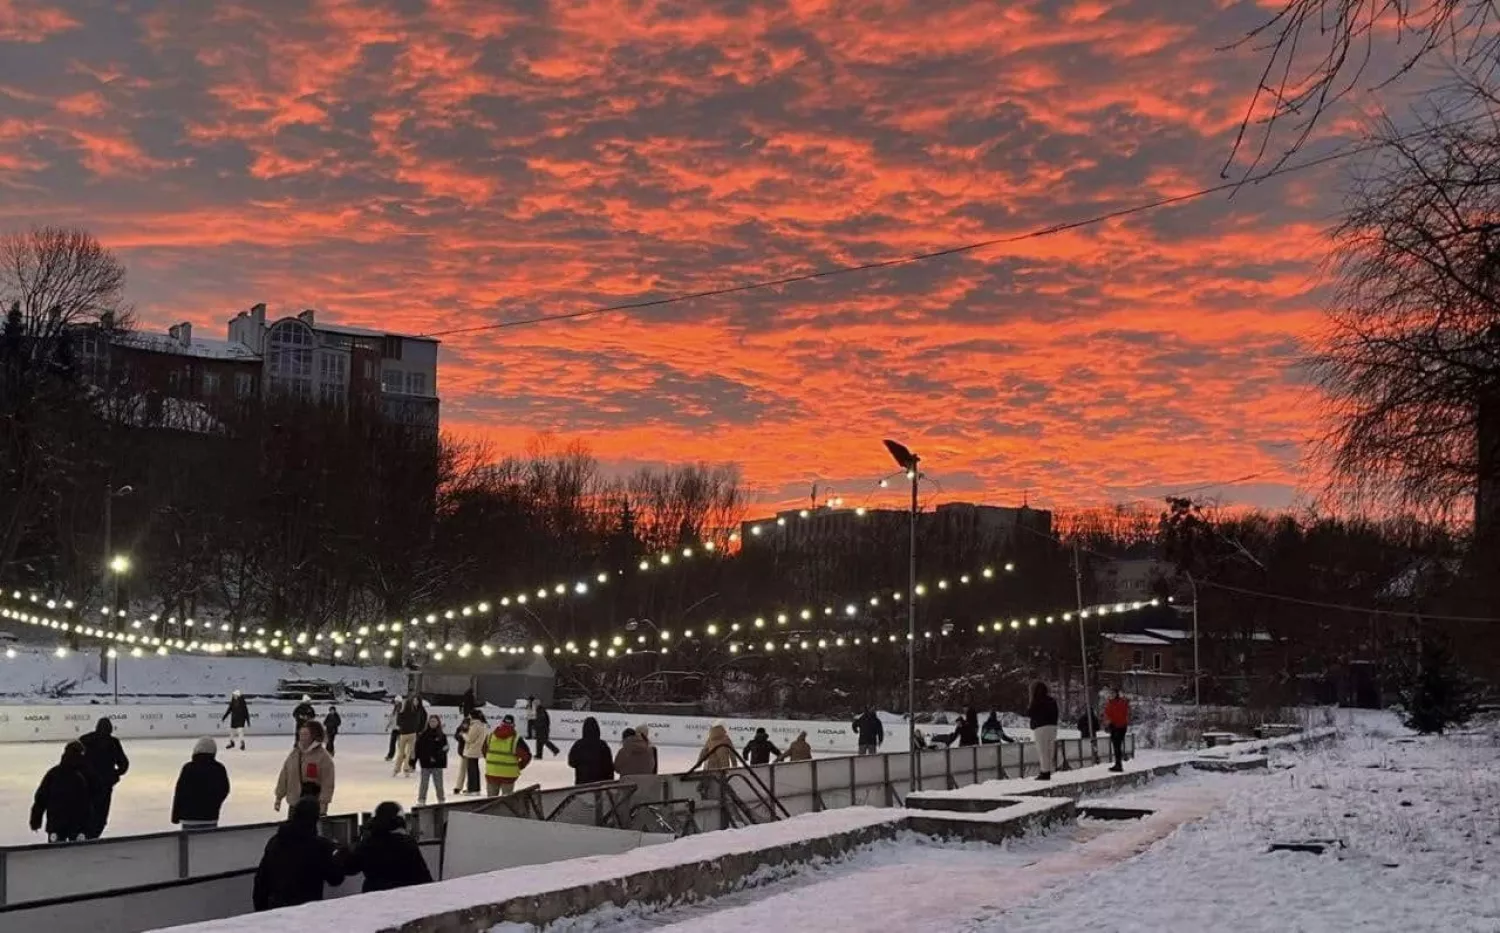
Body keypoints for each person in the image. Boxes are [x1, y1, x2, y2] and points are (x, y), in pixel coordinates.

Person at [252, 796, 345, 912]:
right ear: (315, 819)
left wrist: (261, 911)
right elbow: (335, 879)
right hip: (307, 912)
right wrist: (338, 855)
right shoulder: (320, 846)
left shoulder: (276, 841)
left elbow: (261, 880)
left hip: (277, 910)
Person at [343, 801, 432, 893]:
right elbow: (424, 878)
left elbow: (350, 867)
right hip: (405, 896)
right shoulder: (407, 843)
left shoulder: (367, 844)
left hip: (373, 896)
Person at [30, 740, 93, 843]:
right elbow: (95, 797)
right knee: (79, 854)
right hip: (78, 825)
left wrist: (35, 819)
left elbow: (41, 798)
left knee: (55, 853)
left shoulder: (53, 774)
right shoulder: (85, 774)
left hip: (56, 823)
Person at [78, 717, 129, 839]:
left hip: (86, 784)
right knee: (100, 815)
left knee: (85, 811)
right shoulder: (113, 742)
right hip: (104, 785)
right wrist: (115, 775)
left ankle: (83, 834)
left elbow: (75, 760)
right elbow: (124, 764)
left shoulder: (85, 740)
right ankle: (93, 836)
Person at [275, 720, 337, 815]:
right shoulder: (295, 754)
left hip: (313, 805)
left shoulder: (323, 757)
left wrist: (323, 803)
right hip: (294, 804)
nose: (302, 737)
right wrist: (279, 797)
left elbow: (328, 783)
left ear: (314, 736)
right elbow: (284, 775)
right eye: (301, 734)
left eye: (305, 734)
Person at [171, 736, 231, 831]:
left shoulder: (188, 768)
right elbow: (224, 790)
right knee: (206, 843)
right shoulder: (219, 768)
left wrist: (175, 817)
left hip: (188, 818)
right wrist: (214, 805)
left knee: (189, 844)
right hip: (210, 817)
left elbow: (179, 793)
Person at [483, 713, 532, 796]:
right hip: (508, 775)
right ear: (513, 725)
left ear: (501, 723)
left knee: (491, 802)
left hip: (492, 773)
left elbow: (484, 751)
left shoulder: (490, 736)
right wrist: (519, 766)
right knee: (507, 802)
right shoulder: (516, 740)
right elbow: (527, 756)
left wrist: (493, 761)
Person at [567, 716, 615, 785]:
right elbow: (609, 766)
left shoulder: (578, 744)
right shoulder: (602, 745)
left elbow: (571, 762)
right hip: (600, 784)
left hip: (582, 783)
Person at [1028, 681, 1060, 781]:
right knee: (1050, 749)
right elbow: (1056, 713)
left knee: (1042, 750)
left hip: (1040, 727)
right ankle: (1049, 769)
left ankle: (1044, 772)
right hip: (1052, 727)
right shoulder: (1052, 700)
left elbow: (1030, 712)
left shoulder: (1036, 701)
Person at [414, 714, 449, 806]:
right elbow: (418, 749)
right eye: (431, 721)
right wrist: (413, 761)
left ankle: (441, 799)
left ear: (438, 723)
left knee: (439, 784)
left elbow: (445, 748)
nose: (432, 723)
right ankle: (421, 799)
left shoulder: (442, 736)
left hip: (437, 764)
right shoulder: (423, 735)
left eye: (434, 721)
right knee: (424, 784)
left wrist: (438, 755)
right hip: (425, 763)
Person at [394, 694, 425, 776]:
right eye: (414, 701)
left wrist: (419, 730)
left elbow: (421, 721)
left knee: (409, 753)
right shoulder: (406, 709)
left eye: (417, 701)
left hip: (413, 734)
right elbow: (399, 719)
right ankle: (397, 769)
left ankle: (406, 768)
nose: (416, 702)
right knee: (401, 753)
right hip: (403, 733)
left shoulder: (419, 710)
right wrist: (401, 726)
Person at [1104, 687, 1131, 772]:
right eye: (1110, 693)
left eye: (1113, 693)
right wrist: (1108, 724)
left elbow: (1122, 714)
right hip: (1113, 726)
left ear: (1116, 694)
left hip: (1120, 727)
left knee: (1117, 745)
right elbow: (1107, 714)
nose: (1111, 695)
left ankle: (1118, 764)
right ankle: (1117, 764)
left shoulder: (1121, 703)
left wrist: (1112, 722)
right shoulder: (1109, 703)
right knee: (1116, 746)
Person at [461, 710, 487, 794]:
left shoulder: (475, 725)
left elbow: (470, 739)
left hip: (473, 750)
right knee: (474, 770)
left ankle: (473, 789)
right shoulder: (480, 724)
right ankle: (474, 788)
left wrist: (463, 734)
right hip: (476, 749)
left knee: (472, 770)